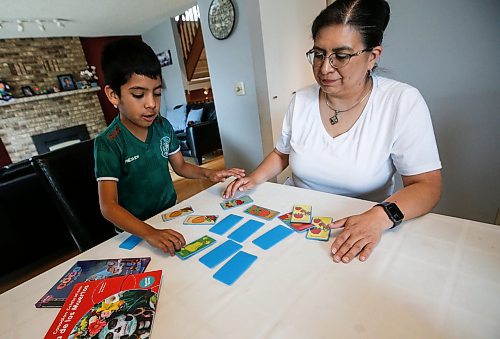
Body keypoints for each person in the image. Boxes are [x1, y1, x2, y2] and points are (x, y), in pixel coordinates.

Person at [224, 0, 442, 264]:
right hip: (296, 218)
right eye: (318, 54)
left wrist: (380, 216)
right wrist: (255, 179)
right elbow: (283, 153)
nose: (325, 68)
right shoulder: (301, 100)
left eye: (341, 56)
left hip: (366, 224)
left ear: (372, 56)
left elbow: (427, 185)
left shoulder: (402, 101)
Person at [95, 38, 245, 256]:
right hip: (136, 230)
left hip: (171, 215)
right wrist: (149, 233)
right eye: (138, 95)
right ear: (113, 95)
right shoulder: (108, 142)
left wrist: (210, 173)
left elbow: (181, 166)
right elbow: (108, 206)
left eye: (156, 93)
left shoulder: (163, 126)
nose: (151, 104)